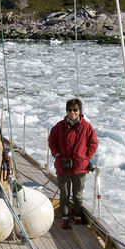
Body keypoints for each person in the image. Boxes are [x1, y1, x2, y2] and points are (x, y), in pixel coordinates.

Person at [47, 97, 98, 229]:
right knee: (64, 193)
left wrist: (86, 158)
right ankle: (64, 217)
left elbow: (93, 143)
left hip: (79, 167)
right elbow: (52, 142)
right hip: (62, 166)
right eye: (69, 110)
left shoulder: (87, 127)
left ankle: (77, 216)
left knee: (78, 194)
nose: (72, 112)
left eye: (75, 110)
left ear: (80, 111)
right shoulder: (58, 127)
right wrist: (57, 155)